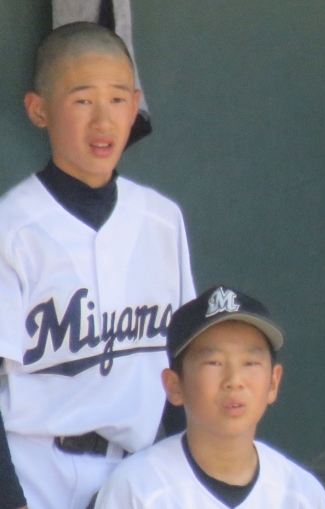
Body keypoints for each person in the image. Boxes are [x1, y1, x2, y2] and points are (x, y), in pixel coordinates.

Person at [0, 22, 195, 509]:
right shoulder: (12, 228)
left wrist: (183, 483)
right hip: (34, 471)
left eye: (117, 99)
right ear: (38, 110)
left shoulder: (162, 220)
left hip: (138, 473)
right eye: (83, 100)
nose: (103, 120)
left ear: (136, 105)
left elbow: (181, 368)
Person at [94, 285, 325, 508]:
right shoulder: (138, 487)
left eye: (250, 363)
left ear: (273, 382)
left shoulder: (301, 493)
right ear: (174, 385)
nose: (234, 380)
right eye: (214, 362)